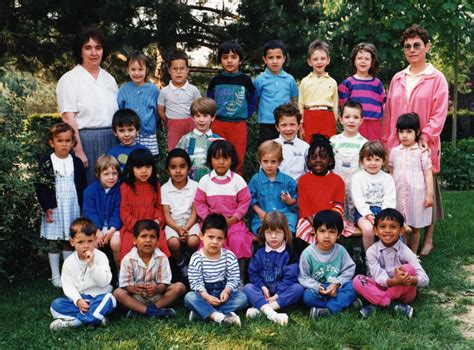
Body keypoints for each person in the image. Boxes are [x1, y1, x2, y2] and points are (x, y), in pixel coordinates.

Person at [382, 24, 449, 256]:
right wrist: (388, 143)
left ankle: (427, 238)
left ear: (427, 47)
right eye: (407, 46)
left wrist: (425, 136)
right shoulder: (398, 78)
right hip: (398, 146)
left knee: (427, 192)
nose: (412, 50)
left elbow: (439, 114)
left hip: (424, 145)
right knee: (401, 190)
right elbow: (389, 114)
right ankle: (401, 236)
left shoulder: (436, 78)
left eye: (417, 45)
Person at [57, 26, 118, 183]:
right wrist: (79, 150)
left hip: (112, 140)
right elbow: (68, 117)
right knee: (90, 192)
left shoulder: (109, 79)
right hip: (85, 141)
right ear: (80, 51)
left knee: (112, 191)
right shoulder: (69, 79)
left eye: (98, 47)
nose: (94, 53)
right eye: (88, 48)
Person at [194, 140, 253, 286]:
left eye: (225, 158)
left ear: (231, 160)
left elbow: (245, 201)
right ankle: (207, 281)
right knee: (207, 243)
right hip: (212, 223)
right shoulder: (205, 181)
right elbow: (199, 203)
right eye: (217, 158)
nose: (221, 162)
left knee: (238, 241)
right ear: (210, 159)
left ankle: (238, 280)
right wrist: (209, 220)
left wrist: (233, 218)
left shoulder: (238, 181)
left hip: (233, 222)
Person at [35, 123, 87, 288]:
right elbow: (41, 186)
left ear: (73, 143)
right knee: (54, 240)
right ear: (52, 143)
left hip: (72, 205)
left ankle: (68, 272)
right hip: (54, 207)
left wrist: (82, 206)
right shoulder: (46, 161)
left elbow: (82, 185)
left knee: (68, 239)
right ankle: (55, 275)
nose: (64, 144)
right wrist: (47, 207)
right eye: (60, 141)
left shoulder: (76, 162)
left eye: (68, 141)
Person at [353, 209, 429, 319]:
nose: (387, 231)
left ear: (401, 231)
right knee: (357, 280)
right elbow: (377, 276)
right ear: (375, 230)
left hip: (403, 292)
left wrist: (409, 279)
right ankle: (393, 305)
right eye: (383, 227)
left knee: (409, 269)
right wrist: (393, 281)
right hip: (381, 286)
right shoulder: (371, 251)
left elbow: (425, 279)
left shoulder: (406, 251)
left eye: (393, 227)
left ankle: (376, 304)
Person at [49, 218, 116, 330]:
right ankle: (95, 318)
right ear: (72, 242)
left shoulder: (101, 257)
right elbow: (68, 285)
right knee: (56, 305)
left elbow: (105, 282)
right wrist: (78, 300)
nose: (86, 246)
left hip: (98, 297)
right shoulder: (69, 262)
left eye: (90, 241)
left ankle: (75, 323)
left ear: (95, 240)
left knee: (109, 299)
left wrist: (92, 265)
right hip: (80, 300)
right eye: (80, 242)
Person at [184, 214, 248, 326]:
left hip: (223, 295)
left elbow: (234, 278)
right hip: (204, 294)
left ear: (225, 239)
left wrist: (227, 291)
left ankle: (201, 313)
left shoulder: (229, 256)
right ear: (201, 236)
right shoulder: (197, 257)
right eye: (210, 237)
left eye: (219, 238)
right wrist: (206, 296)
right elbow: (195, 282)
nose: (214, 242)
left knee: (243, 298)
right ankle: (219, 317)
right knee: (189, 298)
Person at [113, 220, 186, 319]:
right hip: (136, 297)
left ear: (157, 241)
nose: (148, 240)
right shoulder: (128, 259)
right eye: (143, 236)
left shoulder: (162, 257)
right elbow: (125, 285)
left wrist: (157, 289)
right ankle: (150, 311)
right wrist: (133, 288)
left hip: (158, 296)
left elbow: (164, 283)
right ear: (134, 240)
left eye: (152, 236)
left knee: (180, 287)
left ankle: (147, 310)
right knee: (118, 293)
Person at [243, 212, 304, 326]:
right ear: (263, 233)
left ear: (285, 233)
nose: (273, 236)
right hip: (263, 292)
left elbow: (290, 278)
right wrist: (262, 287)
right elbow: (253, 273)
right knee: (247, 288)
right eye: (269, 232)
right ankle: (272, 314)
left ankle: (264, 309)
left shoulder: (289, 253)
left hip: (282, 293)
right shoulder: (259, 252)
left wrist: (277, 296)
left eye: (278, 232)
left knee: (298, 289)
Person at [207, 41, 257, 175]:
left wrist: (247, 113)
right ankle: (216, 185)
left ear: (240, 60)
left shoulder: (245, 80)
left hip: (238, 124)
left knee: (238, 157)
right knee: (217, 155)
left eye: (233, 57)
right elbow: (209, 101)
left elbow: (253, 98)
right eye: (225, 57)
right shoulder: (216, 80)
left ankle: (235, 187)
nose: (229, 61)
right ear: (220, 60)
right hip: (218, 124)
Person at [299, 210, 357, 318]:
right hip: (318, 289)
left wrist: (337, 284)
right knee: (307, 296)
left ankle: (327, 310)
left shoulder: (341, 251)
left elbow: (349, 270)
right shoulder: (308, 253)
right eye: (322, 231)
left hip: (336, 287)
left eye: (331, 232)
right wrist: (318, 287)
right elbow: (303, 277)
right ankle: (342, 304)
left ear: (339, 234)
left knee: (352, 287)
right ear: (315, 232)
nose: (326, 236)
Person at [389, 113, 433, 253]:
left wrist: (430, 195)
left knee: (414, 227)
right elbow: (391, 172)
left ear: (417, 132)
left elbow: (428, 173)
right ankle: (402, 252)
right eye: (401, 132)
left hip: (416, 196)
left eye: (409, 131)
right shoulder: (395, 151)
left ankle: (413, 255)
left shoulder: (421, 152)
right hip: (398, 194)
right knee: (401, 225)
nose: (405, 135)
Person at [119, 148, 170, 262]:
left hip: (152, 226)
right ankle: (128, 275)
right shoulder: (126, 187)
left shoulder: (154, 184)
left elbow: (157, 206)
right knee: (128, 246)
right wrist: (137, 227)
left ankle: (160, 273)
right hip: (133, 229)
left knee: (160, 243)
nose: (144, 171)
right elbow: (124, 212)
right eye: (138, 167)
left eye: (148, 167)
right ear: (131, 168)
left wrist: (158, 220)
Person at [295, 134, 345, 250]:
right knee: (302, 237)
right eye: (314, 157)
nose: (318, 160)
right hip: (309, 219)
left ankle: (337, 263)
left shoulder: (337, 180)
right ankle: (305, 263)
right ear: (308, 160)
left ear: (330, 160)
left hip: (332, 219)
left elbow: (338, 205)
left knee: (337, 236)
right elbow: (304, 206)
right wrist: (316, 224)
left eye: (322, 157)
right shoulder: (303, 180)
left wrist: (329, 222)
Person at [161, 149, 200, 277]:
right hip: (173, 223)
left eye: (182, 167)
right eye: (173, 167)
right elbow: (166, 215)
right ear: (167, 170)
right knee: (173, 242)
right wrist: (178, 229)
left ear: (189, 169)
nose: (178, 171)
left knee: (194, 241)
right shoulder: (165, 189)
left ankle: (189, 258)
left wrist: (186, 229)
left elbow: (195, 212)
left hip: (190, 221)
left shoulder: (195, 186)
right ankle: (180, 264)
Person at [351, 141, 396, 252]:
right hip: (363, 213)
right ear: (362, 161)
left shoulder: (387, 178)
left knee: (390, 227)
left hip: (384, 211)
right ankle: (370, 259)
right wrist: (367, 214)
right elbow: (358, 199)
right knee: (368, 229)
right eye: (369, 159)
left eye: (377, 160)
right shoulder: (358, 177)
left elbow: (389, 198)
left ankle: (389, 255)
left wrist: (384, 215)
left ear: (383, 161)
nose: (373, 163)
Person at [338, 43, 386, 141]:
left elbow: (384, 104)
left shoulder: (377, 84)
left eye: (367, 59)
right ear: (354, 61)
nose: (363, 61)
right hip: (355, 123)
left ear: (372, 62)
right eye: (359, 58)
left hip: (375, 124)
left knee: (373, 151)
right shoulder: (348, 83)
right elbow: (343, 106)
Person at [330, 101, 368, 224]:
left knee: (356, 212)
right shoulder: (334, 141)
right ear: (341, 119)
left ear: (362, 120)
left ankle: (357, 242)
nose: (351, 121)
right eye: (347, 117)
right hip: (337, 185)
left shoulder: (364, 143)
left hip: (356, 186)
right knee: (337, 213)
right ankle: (338, 238)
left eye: (356, 117)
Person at [248, 141, 297, 235]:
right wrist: (259, 211)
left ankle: (288, 240)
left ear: (280, 162)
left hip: (284, 216)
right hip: (263, 216)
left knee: (290, 226)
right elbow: (250, 198)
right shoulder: (255, 180)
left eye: (273, 161)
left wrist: (289, 201)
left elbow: (296, 200)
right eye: (265, 161)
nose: (269, 165)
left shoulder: (289, 181)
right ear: (259, 161)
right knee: (262, 230)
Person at [254, 40, 298, 143]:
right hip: (266, 123)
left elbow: (293, 100)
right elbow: (256, 99)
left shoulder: (290, 79)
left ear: (284, 58)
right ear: (264, 59)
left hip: (285, 123)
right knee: (267, 151)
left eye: (278, 57)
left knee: (286, 151)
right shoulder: (260, 80)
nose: (275, 61)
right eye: (270, 58)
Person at [117, 52, 160, 155]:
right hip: (129, 133)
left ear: (147, 70)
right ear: (128, 70)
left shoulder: (153, 90)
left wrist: (150, 124)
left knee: (147, 160)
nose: (137, 73)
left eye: (140, 69)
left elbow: (157, 112)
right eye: (133, 69)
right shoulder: (124, 89)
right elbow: (120, 110)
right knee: (129, 159)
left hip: (148, 134)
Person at [83, 155, 122, 268]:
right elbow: (90, 212)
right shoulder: (90, 191)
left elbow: (118, 211)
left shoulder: (120, 190)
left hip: (114, 227)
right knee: (92, 245)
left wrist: (112, 229)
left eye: (114, 173)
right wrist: (97, 230)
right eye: (106, 174)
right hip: (95, 227)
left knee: (116, 243)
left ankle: (120, 274)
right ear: (98, 175)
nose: (111, 177)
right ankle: (95, 276)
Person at [158, 50, 201, 150]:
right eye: (175, 69)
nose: (178, 72)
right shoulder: (164, 91)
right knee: (174, 151)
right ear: (169, 70)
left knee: (191, 151)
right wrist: (169, 121)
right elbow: (160, 110)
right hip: (173, 125)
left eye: (182, 68)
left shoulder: (193, 90)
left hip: (191, 125)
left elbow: (200, 108)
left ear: (187, 70)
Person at [298, 40, 338, 142]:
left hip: (327, 116)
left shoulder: (332, 82)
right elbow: (300, 104)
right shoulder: (305, 81)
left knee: (327, 147)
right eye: (315, 59)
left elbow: (335, 105)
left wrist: (334, 122)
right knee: (309, 146)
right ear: (309, 62)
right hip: (309, 116)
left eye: (323, 58)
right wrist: (301, 124)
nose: (319, 62)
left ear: (328, 60)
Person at [176, 97, 222, 182]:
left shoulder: (219, 141)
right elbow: (177, 161)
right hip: (190, 183)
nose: (201, 120)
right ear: (192, 118)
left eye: (205, 116)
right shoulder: (186, 139)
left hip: (213, 183)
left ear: (212, 117)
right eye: (198, 116)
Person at [273, 103, 309, 181]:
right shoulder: (270, 146)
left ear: (299, 125)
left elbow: (309, 172)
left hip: (298, 190)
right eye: (284, 125)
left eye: (292, 124)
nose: (288, 129)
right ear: (277, 127)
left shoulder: (305, 147)